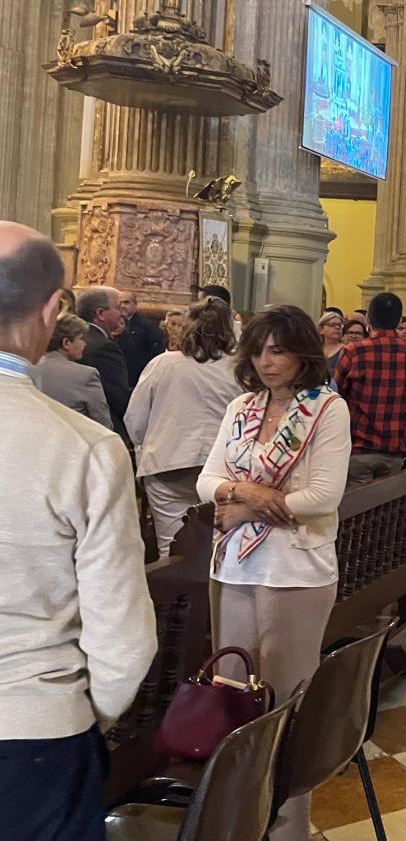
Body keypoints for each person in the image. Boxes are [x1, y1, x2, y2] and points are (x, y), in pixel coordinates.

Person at [0, 223, 156, 841]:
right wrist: (74, 711)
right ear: (49, 310)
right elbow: (123, 637)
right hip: (33, 737)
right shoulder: (85, 448)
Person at [196, 305, 350, 841]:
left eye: (279, 350)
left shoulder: (326, 409)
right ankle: (240, 822)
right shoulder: (241, 407)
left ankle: (287, 829)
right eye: (259, 350)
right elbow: (206, 479)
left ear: (302, 353)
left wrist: (241, 507)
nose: (267, 361)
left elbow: (324, 495)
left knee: (284, 709)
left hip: (297, 571)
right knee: (234, 702)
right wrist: (243, 492)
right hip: (236, 566)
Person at [125, 299, 242, 557]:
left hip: (168, 463)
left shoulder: (163, 364)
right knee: (221, 548)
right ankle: (211, 597)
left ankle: (176, 596)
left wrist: (145, 449)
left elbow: (135, 418)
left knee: (172, 549)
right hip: (222, 467)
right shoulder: (239, 369)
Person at [334, 292, 406, 486]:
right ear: (398, 320)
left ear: (368, 319)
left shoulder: (354, 352)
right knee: (386, 512)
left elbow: (336, 398)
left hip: (358, 449)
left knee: (356, 512)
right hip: (395, 451)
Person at [33, 312, 113, 429]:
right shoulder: (86, 375)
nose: (84, 344)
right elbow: (103, 424)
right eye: (81, 339)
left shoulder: (29, 369)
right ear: (67, 343)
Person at [76, 285, 132, 440]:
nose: (122, 313)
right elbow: (118, 396)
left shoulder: (77, 337)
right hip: (101, 428)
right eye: (117, 307)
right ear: (100, 313)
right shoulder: (104, 347)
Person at [115, 290, 166, 382]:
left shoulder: (147, 325)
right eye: (120, 303)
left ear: (135, 305)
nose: (122, 306)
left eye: (126, 302)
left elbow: (159, 346)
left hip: (138, 375)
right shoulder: (111, 323)